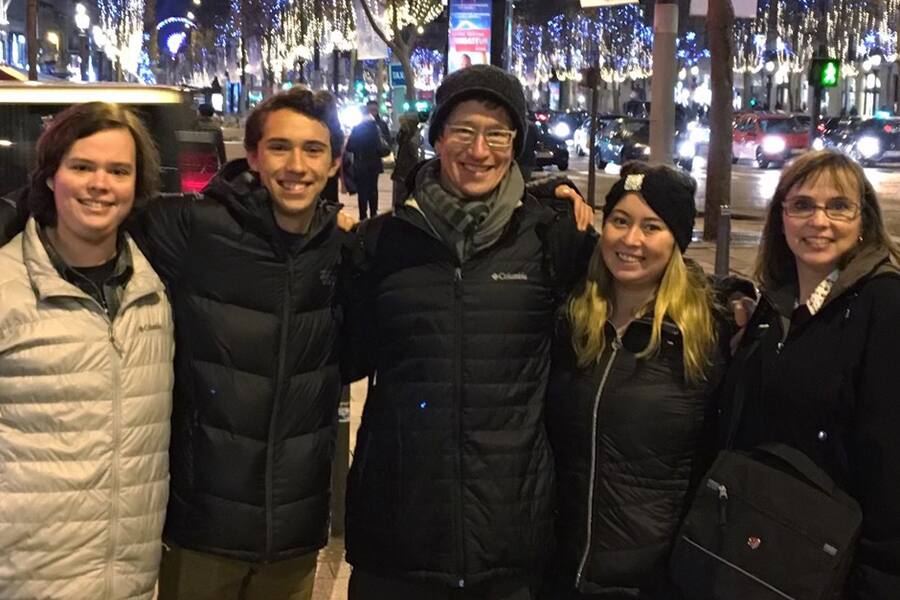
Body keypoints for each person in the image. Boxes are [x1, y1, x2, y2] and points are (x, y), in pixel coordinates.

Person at [341, 63, 595, 600]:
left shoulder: (551, 239)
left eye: (497, 134)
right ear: (437, 137)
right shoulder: (382, 243)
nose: (479, 151)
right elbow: (337, 352)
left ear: (515, 144)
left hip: (508, 540)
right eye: (463, 131)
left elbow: (639, 278)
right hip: (398, 534)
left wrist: (729, 304)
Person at [131, 90, 348, 600]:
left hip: (292, 538)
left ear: (336, 160)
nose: (296, 166)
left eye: (314, 150)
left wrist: (559, 196)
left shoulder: (343, 250)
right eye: (280, 147)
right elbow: (82, 215)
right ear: (251, 155)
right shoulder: (193, 228)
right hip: (203, 533)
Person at [0, 102, 174, 599]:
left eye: (119, 171)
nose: (100, 184)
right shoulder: (6, 285)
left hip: (128, 581)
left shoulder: (157, 289)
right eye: (81, 167)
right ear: (50, 175)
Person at [719, 149, 900, 599]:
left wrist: (878, 580)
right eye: (801, 205)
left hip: (837, 562)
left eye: (838, 206)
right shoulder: (775, 306)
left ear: (864, 222)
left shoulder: (883, 304)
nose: (819, 220)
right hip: (766, 541)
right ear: (781, 218)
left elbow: (890, 458)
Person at [543, 163, 729, 599]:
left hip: (654, 581)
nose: (631, 240)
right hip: (560, 571)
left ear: (676, 241)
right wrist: (556, 190)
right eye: (620, 221)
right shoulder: (572, 320)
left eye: (652, 226)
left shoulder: (706, 334)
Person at [347, 103, 388, 220]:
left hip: (361, 163)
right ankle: (374, 215)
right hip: (374, 163)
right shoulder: (377, 127)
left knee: (362, 191)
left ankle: (363, 216)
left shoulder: (357, 128)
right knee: (373, 189)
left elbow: (350, 147)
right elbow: (385, 142)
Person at [391, 111, 421, 207]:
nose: (402, 124)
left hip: (408, 170)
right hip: (401, 169)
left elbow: (414, 153)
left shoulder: (414, 135)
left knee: (404, 195)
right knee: (399, 194)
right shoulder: (404, 133)